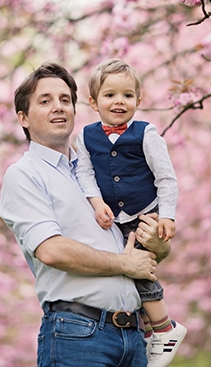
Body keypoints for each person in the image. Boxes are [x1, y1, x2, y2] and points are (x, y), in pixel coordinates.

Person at [0, 62, 171, 367]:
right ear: (23, 117)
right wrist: (125, 263)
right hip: (78, 334)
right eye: (45, 100)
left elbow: (137, 248)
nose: (59, 107)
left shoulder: (97, 172)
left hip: (132, 336)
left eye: (65, 100)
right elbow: (51, 250)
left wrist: (158, 246)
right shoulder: (25, 175)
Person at [75, 59, 187, 367]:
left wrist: (167, 215)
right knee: (122, 269)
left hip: (144, 213)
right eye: (110, 95)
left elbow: (166, 177)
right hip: (113, 218)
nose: (118, 101)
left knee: (137, 263)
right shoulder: (85, 136)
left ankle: (165, 326)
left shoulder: (146, 133)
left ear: (139, 100)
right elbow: (84, 174)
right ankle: (151, 329)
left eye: (126, 95)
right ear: (93, 102)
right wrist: (97, 204)